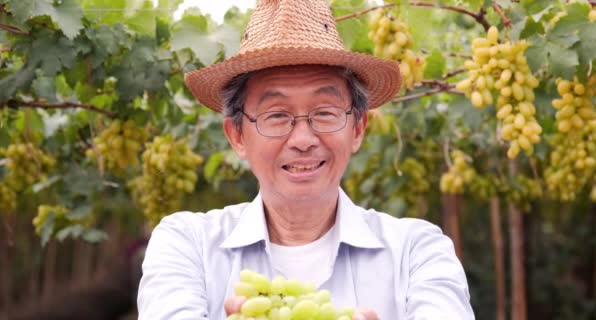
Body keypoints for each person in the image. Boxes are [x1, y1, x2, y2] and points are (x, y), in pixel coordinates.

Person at [137, 0, 475, 319]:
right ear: (237, 135)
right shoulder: (187, 245)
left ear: (358, 128)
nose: (302, 140)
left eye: (325, 113)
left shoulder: (418, 251)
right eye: (277, 115)